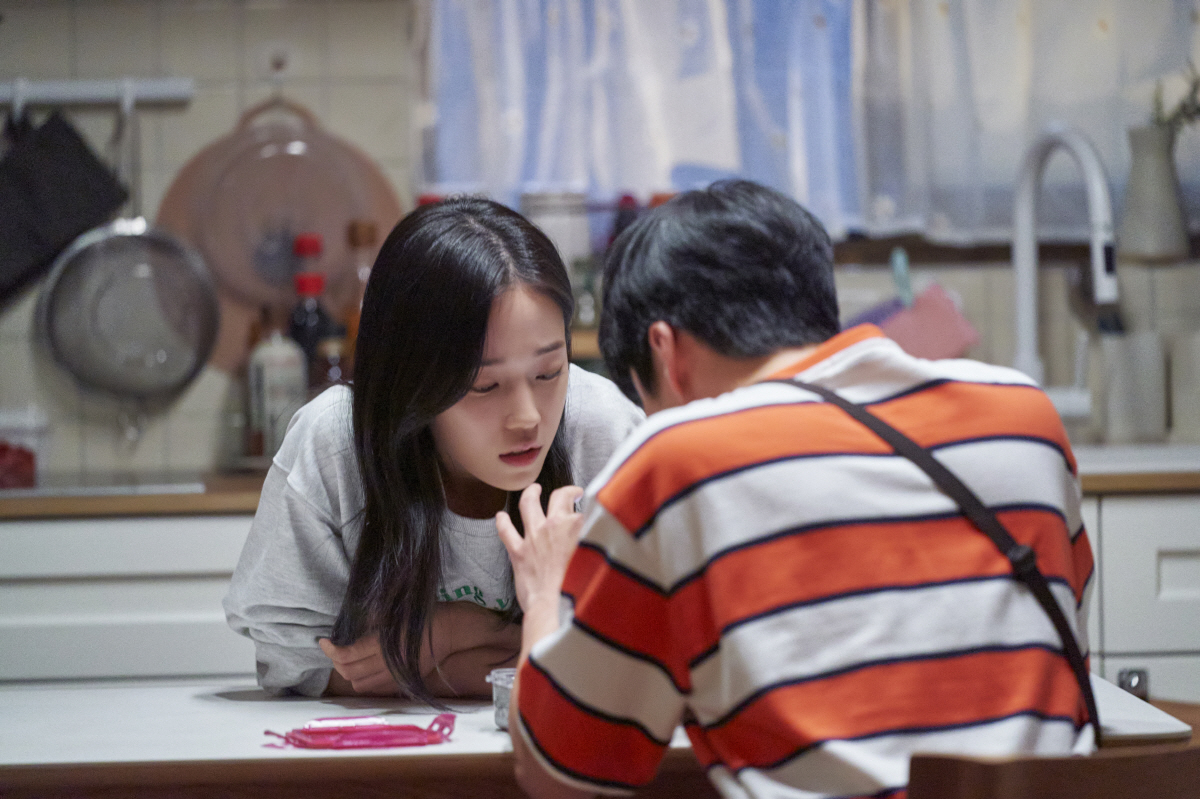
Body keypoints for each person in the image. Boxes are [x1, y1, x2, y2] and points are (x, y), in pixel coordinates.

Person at [497, 180, 1096, 799]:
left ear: (666, 353)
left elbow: (560, 775)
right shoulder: (1024, 417)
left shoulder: (676, 462)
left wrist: (546, 592)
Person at [223, 197, 644, 701]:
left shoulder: (601, 427)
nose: (528, 416)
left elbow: (641, 659)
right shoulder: (337, 441)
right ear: (413, 380)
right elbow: (294, 662)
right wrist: (528, 648)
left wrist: (451, 635)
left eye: (549, 373)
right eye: (485, 386)